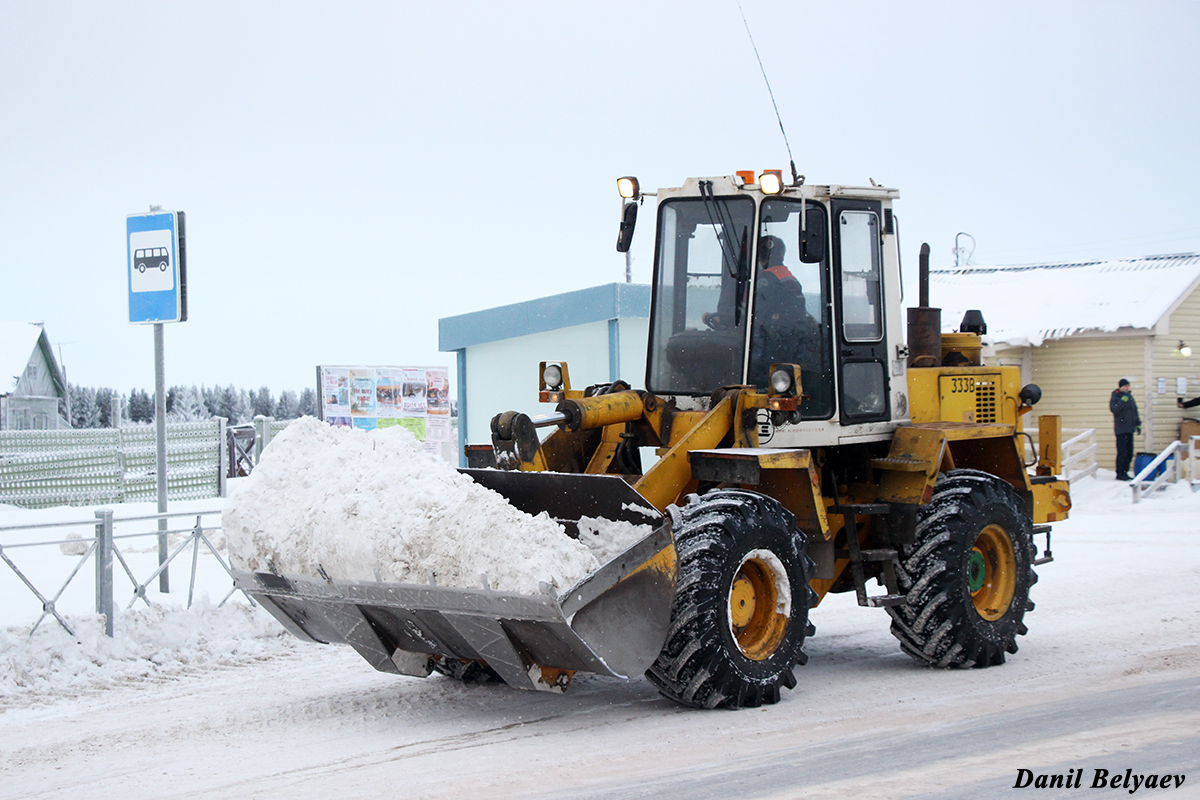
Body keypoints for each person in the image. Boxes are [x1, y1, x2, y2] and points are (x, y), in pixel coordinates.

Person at [1109, 379, 1141, 481]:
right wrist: (1122, 401)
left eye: (1128, 386)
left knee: (1129, 452)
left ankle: (1125, 472)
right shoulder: (1115, 396)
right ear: (1120, 387)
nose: (1127, 388)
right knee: (1122, 452)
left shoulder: (1130, 397)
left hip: (1129, 428)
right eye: (1125, 386)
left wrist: (1138, 423)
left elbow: (1134, 410)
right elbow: (1114, 409)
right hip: (1121, 429)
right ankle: (1120, 473)